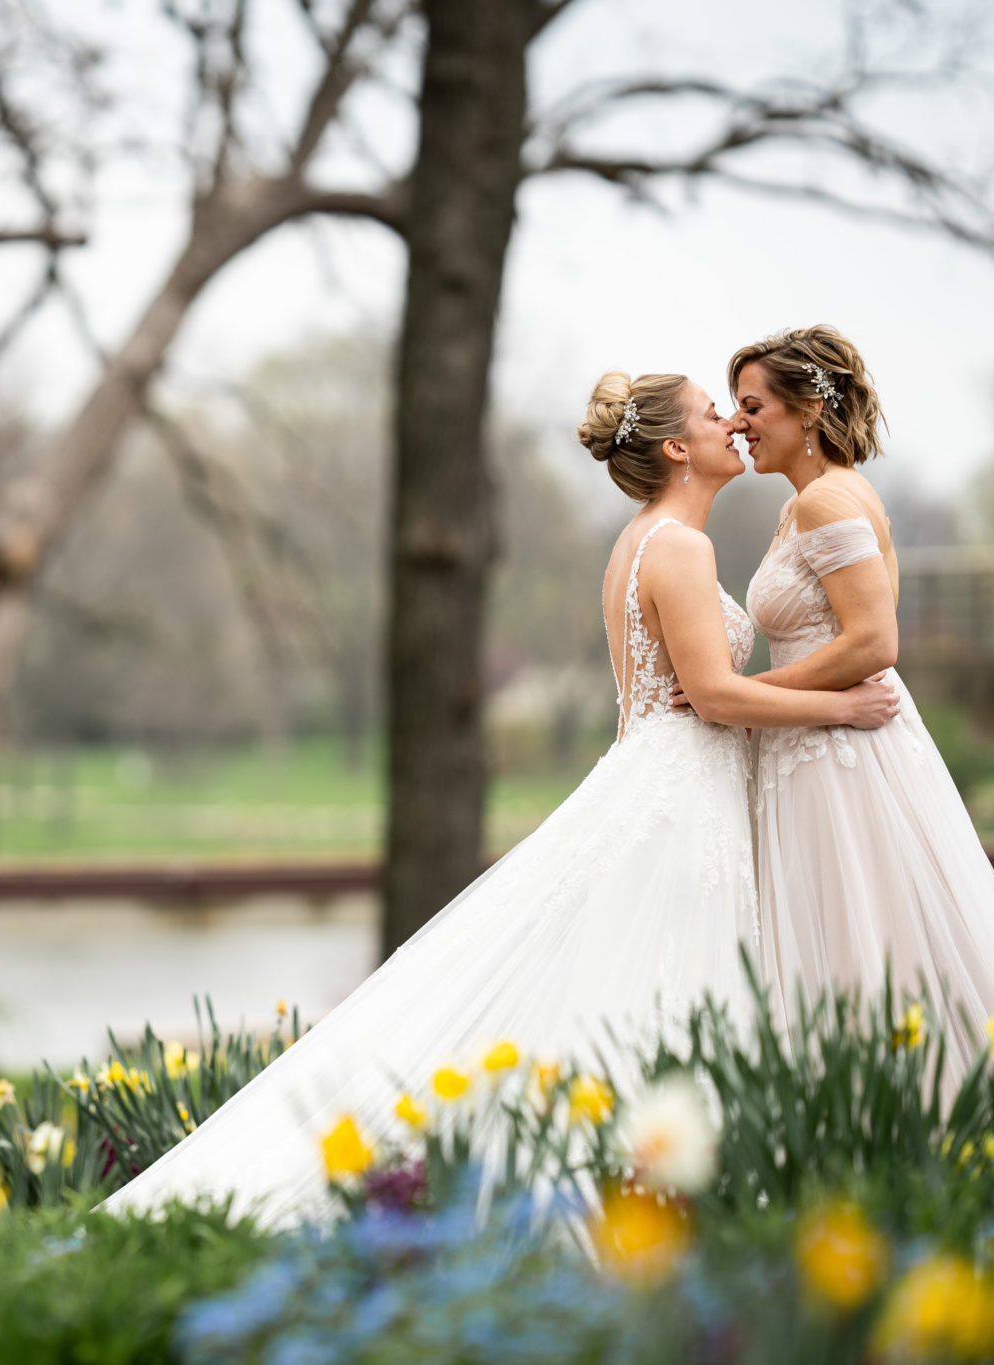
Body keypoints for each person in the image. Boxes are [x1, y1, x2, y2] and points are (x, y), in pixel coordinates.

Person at [101, 371, 897, 1226]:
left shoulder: (639, 541)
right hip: (680, 787)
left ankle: (645, 1186)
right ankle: (645, 1196)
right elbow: (712, 695)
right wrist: (840, 704)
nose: (733, 426)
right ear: (676, 447)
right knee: (667, 983)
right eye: (714, 414)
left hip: (654, 772)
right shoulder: (681, 546)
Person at [721, 325, 994, 1103]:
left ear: (806, 407)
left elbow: (874, 639)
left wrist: (758, 703)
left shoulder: (828, 498)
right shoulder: (805, 503)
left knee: (863, 939)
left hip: (838, 755)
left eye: (753, 404)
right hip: (819, 741)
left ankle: (900, 1115)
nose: (738, 423)